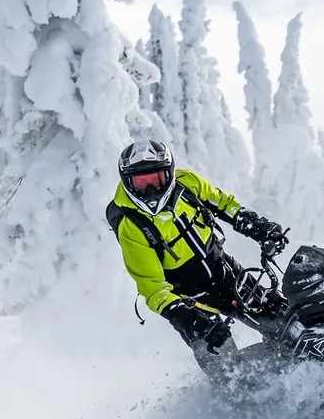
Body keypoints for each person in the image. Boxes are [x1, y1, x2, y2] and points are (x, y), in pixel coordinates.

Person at [107, 138, 290, 372]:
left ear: (169, 173)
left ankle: (311, 372)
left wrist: (259, 228)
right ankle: (245, 404)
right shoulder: (131, 224)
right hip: (189, 303)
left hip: (226, 274)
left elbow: (225, 205)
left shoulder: (187, 183)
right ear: (128, 182)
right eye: (142, 183)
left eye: (156, 179)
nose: (151, 190)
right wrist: (187, 318)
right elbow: (152, 287)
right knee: (228, 374)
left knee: (286, 326)